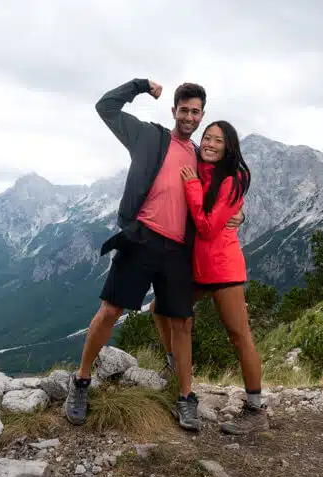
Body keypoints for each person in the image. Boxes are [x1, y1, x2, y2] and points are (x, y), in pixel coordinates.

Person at [65, 76, 241, 430]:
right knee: (110, 310)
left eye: (196, 112)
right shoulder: (148, 136)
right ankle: (81, 382)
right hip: (142, 238)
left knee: (182, 322)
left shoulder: (200, 155)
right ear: (174, 110)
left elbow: (224, 189)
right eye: (185, 110)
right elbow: (105, 107)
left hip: (178, 250)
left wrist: (238, 209)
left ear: (202, 114)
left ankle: (185, 396)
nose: (190, 117)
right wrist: (140, 85)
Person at [151, 121, 268, 435]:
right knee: (160, 309)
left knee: (238, 334)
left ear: (229, 147)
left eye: (219, 140)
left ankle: (256, 409)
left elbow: (206, 226)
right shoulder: (199, 170)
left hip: (223, 267)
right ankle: (176, 366)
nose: (211, 143)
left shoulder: (231, 179)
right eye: (207, 137)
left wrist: (194, 190)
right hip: (198, 266)